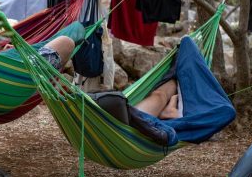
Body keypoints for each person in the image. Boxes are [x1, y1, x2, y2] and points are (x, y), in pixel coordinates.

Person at [41, 35, 180, 120]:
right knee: (161, 93)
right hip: (129, 118)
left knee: (160, 94)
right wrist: (173, 101)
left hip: (124, 117)